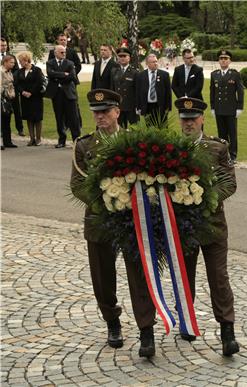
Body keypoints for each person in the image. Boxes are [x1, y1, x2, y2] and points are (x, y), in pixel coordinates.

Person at [70, 89, 156, 358]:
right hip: (99, 218)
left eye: (105, 112)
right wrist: (106, 204)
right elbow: (77, 185)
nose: (100, 117)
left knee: (139, 274)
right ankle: (112, 321)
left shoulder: (133, 140)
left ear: (117, 112)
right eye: (96, 113)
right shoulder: (84, 145)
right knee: (102, 276)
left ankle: (146, 330)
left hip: (132, 220)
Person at [174, 96, 240, 357]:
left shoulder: (217, 148)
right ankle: (186, 321)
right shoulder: (171, 148)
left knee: (219, 278)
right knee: (185, 277)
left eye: (192, 119)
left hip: (212, 224)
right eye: (184, 119)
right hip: (184, 226)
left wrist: (204, 198)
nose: (188, 123)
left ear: (202, 119)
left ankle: (227, 331)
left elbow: (229, 184)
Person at [210, 50, 244, 162]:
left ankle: (233, 155)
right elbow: (212, 92)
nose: (223, 60)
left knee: (232, 133)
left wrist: (239, 107)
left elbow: (240, 91)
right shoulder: (214, 74)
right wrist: (212, 107)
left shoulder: (235, 74)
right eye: (221, 58)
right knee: (221, 133)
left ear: (230, 60)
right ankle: (223, 154)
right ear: (218, 60)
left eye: (226, 58)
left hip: (231, 109)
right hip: (219, 109)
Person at [45, 45, 80, 148]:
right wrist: (64, 74)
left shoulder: (70, 63)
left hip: (69, 93)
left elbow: (72, 76)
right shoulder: (50, 63)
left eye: (64, 52)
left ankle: (76, 140)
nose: (64, 54)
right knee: (59, 117)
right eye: (61, 52)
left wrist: (58, 76)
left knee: (73, 118)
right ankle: (61, 140)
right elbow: (50, 74)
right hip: (57, 93)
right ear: (55, 53)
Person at [15, 51, 44, 146]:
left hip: (35, 97)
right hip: (24, 98)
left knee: (37, 118)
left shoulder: (37, 70)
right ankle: (32, 138)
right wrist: (22, 92)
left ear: (26, 60)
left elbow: (39, 83)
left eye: (21, 61)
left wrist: (31, 92)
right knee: (29, 118)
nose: (20, 63)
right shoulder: (20, 72)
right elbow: (17, 84)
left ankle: (38, 138)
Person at [136, 54, 171, 127]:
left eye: (156, 61)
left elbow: (168, 93)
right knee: (149, 128)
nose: (155, 63)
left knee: (162, 128)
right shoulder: (141, 75)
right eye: (153, 62)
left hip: (160, 106)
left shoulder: (164, 75)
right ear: (147, 64)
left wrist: (168, 107)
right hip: (147, 107)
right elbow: (138, 92)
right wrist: (139, 107)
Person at [1, 37, 24, 137]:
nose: (4, 47)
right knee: (3, 111)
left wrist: (10, 77)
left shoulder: (11, 57)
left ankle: (20, 129)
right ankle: (3, 131)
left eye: (5, 45)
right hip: (2, 89)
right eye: (2, 45)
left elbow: (17, 71)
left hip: (12, 88)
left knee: (17, 109)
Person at [110, 47, 139, 128]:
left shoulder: (135, 72)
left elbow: (138, 91)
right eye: (120, 56)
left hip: (131, 106)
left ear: (129, 58)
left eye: (124, 56)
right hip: (118, 106)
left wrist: (138, 106)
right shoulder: (114, 71)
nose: (122, 58)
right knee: (120, 130)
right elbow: (112, 89)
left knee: (135, 129)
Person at [1, 54, 17, 149]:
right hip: (2, 98)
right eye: (11, 62)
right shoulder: (1, 71)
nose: (13, 64)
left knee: (7, 120)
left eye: (14, 63)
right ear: (5, 62)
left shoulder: (9, 72)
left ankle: (8, 141)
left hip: (9, 98)